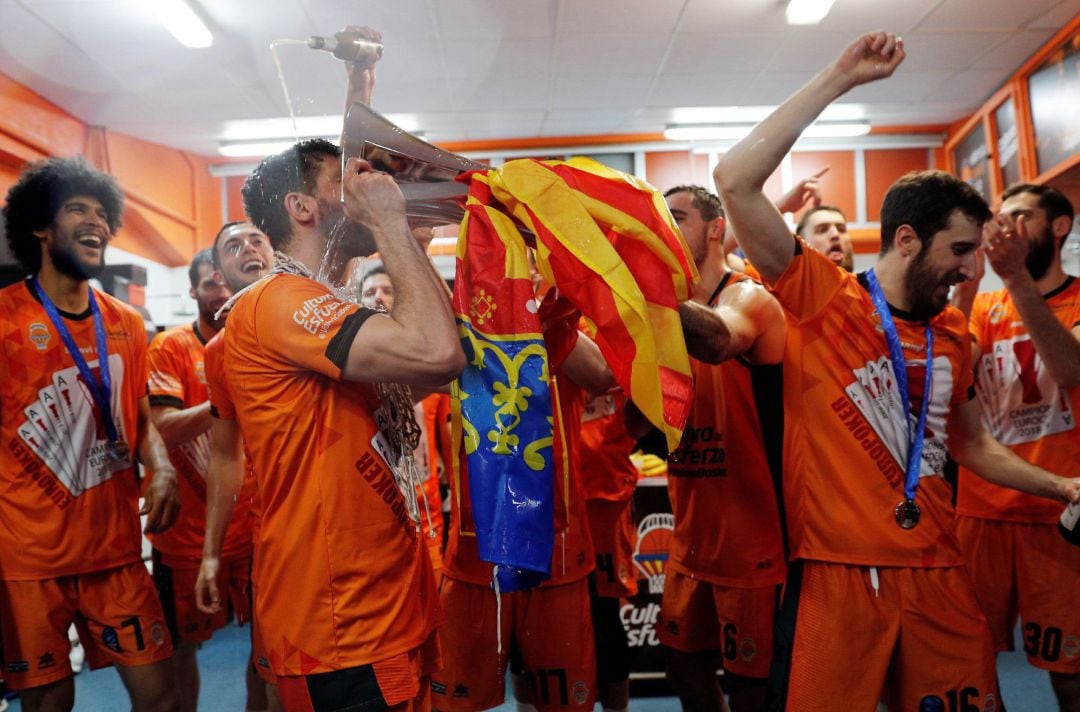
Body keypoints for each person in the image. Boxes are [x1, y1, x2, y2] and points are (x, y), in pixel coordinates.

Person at [713, 31, 1080, 710]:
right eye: (960, 250)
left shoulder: (953, 331)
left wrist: (1061, 483)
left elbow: (971, 446)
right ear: (906, 239)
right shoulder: (821, 297)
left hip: (937, 568)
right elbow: (734, 180)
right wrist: (839, 78)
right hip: (837, 573)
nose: (973, 269)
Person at [221, 136, 463, 711]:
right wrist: (390, 228)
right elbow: (437, 352)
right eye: (342, 183)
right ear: (302, 209)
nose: (359, 191)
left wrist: (408, 245)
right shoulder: (277, 300)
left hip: (387, 602)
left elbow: (437, 371)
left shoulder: (333, 300)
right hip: (340, 621)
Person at [0, 156, 180, 712]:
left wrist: (164, 466)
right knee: (48, 705)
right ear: (40, 227)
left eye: (103, 213)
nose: (95, 221)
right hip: (29, 560)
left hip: (117, 552)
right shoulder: (3, 319)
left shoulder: (127, 322)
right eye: (77, 208)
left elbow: (141, 412)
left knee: (163, 700)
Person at [658, 186, 787, 712]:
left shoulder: (748, 296)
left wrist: (643, 285)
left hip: (754, 540)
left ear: (715, 229)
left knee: (752, 690)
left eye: (678, 218)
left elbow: (718, 340)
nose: (665, 230)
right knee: (684, 671)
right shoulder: (662, 312)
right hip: (691, 538)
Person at [953, 184, 1080, 710]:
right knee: (969, 663)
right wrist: (968, 283)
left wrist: (1015, 279)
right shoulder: (984, 304)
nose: (1005, 228)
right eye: (999, 219)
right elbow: (954, 362)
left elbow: (1071, 369)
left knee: (1069, 671)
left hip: (1059, 514)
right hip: (981, 511)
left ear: (1059, 227)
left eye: (1021, 216)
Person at [145, 248, 255, 712]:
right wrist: (223, 400)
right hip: (186, 537)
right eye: (210, 283)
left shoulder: (261, 343)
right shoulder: (171, 346)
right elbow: (163, 425)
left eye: (226, 281)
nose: (222, 291)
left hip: (256, 531)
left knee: (270, 651)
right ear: (192, 290)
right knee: (178, 655)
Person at [196, 220, 278, 711]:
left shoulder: (318, 314)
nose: (247, 248)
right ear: (221, 274)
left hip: (348, 529)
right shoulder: (219, 352)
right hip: (274, 537)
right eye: (233, 246)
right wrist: (211, 553)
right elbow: (226, 454)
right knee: (271, 675)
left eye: (255, 240)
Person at [359, 262, 448, 574]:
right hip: (374, 528)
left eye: (388, 290)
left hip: (429, 520)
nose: (378, 297)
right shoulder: (352, 374)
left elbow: (449, 449)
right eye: (369, 292)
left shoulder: (431, 368)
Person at [796, 205, 854, 272]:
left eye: (841, 229)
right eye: (822, 230)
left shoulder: (865, 281)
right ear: (801, 244)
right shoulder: (788, 282)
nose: (835, 234)